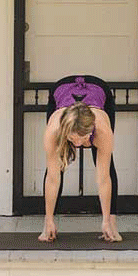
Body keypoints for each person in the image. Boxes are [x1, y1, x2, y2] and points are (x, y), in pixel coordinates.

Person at [38, 75, 122, 243]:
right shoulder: (53, 132)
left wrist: (105, 220)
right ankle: (47, 223)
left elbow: (103, 179)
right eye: (73, 139)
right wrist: (49, 220)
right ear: (64, 131)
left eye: (83, 139)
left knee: (105, 165)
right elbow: (52, 179)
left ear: (91, 130)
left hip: (99, 88)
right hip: (61, 89)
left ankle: (111, 223)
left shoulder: (102, 131)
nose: (78, 144)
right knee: (56, 164)